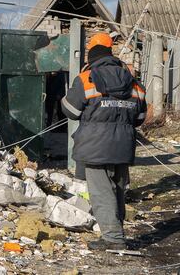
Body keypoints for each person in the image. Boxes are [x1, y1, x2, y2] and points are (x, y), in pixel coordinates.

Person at [61, 32, 146, 250]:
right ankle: (116, 232)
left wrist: (65, 98)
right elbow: (140, 117)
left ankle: (113, 239)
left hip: (95, 145)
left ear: (92, 54)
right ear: (110, 52)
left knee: (101, 191)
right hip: (123, 146)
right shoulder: (132, 81)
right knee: (117, 189)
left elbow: (70, 111)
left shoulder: (86, 78)